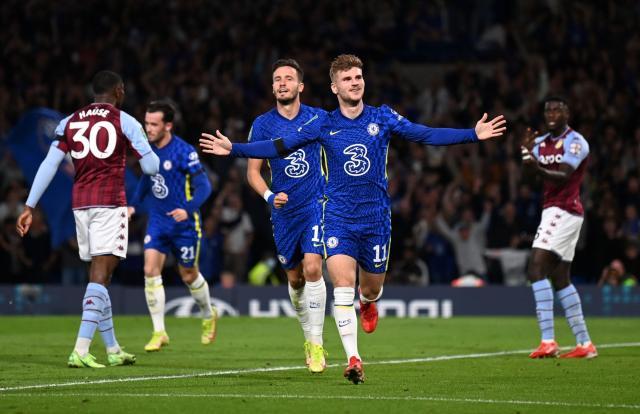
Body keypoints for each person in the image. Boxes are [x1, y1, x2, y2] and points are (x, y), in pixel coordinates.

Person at [201, 54, 506, 383]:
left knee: (371, 287)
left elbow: (425, 134)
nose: (354, 82)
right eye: (347, 79)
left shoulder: (382, 116)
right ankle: (353, 358)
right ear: (335, 87)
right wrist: (234, 149)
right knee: (342, 286)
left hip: (376, 218)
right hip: (337, 216)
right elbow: (279, 146)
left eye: (358, 77)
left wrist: (472, 134)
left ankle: (369, 301)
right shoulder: (323, 124)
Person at [16, 70, 160, 368]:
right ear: (118, 91)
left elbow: (50, 163)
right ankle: (80, 349)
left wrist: (29, 206)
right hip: (109, 203)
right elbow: (150, 167)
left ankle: (113, 349)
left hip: (81, 205)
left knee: (101, 276)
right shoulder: (125, 121)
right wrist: (149, 151)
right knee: (100, 274)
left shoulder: (69, 121)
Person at [245, 59, 327, 373]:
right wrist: (269, 196)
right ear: (272, 87)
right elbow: (253, 172)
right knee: (295, 278)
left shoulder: (318, 118)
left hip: (315, 205)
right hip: (283, 212)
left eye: (288, 78)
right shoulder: (262, 124)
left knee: (313, 267)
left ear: (300, 86)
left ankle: (317, 344)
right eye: (277, 78)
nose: (282, 83)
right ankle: (307, 336)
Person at [128, 100, 216, 352]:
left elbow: (204, 186)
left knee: (188, 274)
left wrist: (187, 208)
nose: (148, 128)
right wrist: (133, 205)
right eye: (146, 123)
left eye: (154, 124)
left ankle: (208, 314)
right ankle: (159, 332)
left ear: (168, 126)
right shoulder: (146, 150)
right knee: (150, 269)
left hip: (184, 224)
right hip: (158, 221)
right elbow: (145, 180)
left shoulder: (184, 151)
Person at [521, 96, 597, 359]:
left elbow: (563, 176)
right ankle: (584, 344)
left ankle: (548, 341)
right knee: (561, 278)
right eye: (548, 110)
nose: (552, 114)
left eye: (557, 109)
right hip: (558, 210)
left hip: (563, 209)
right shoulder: (541, 143)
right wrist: (526, 156)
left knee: (536, 268)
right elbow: (529, 179)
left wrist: (536, 166)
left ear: (567, 113)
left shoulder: (576, 142)